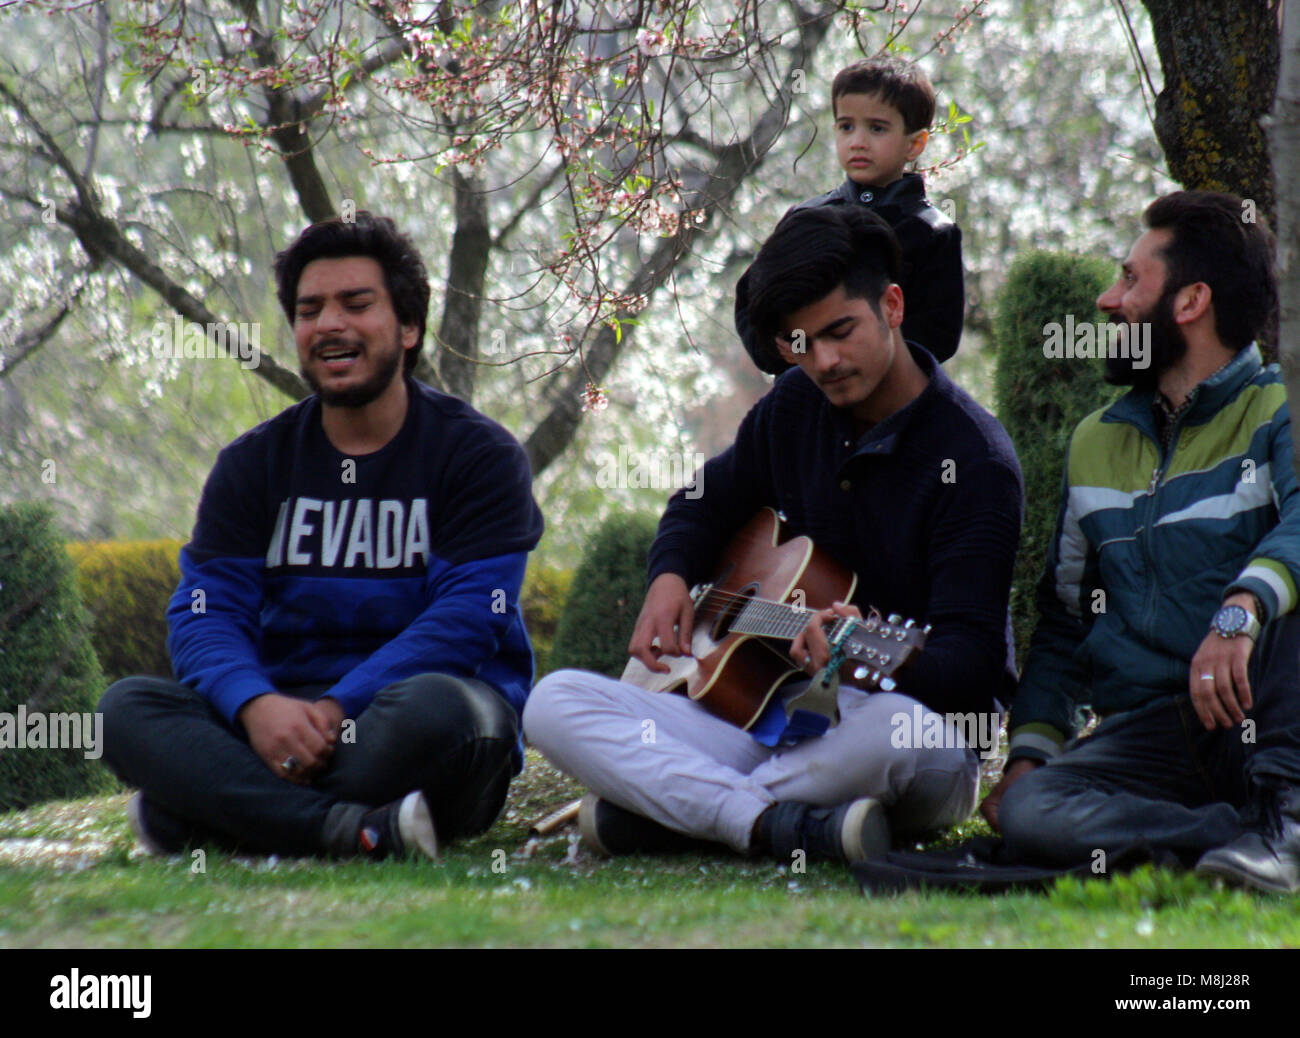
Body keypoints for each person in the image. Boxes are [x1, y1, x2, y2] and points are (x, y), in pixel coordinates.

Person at [524, 205, 1021, 865]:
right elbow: (700, 502)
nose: (823, 359)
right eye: (799, 342)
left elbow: (972, 668)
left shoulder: (975, 460)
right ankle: (774, 825)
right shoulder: (793, 406)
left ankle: (677, 815)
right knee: (554, 704)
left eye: (839, 330)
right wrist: (669, 577)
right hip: (764, 721)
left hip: (895, 732)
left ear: (893, 305)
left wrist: (858, 655)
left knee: (900, 734)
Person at [99, 212, 544, 860]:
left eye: (356, 304)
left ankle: (205, 806)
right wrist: (256, 707)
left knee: (444, 713)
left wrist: (338, 707)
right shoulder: (252, 464)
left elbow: (469, 620)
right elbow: (205, 613)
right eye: (310, 310)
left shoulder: (477, 456)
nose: (329, 324)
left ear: (410, 327)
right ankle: (358, 831)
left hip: (412, 723)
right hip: (279, 726)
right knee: (123, 710)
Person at [983, 190, 1300, 894]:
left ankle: (1286, 827)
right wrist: (1028, 760)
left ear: (1190, 302)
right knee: (1035, 814)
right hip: (1158, 737)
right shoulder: (1094, 441)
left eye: (1129, 279)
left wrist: (1238, 611)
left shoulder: (1280, 410)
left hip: (1271, 716)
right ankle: (1231, 837)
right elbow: (1066, 624)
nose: (1106, 300)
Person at [735, 54, 964, 370]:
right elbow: (753, 301)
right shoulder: (805, 218)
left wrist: (859, 354)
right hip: (806, 401)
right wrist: (784, 348)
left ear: (914, 144)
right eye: (846, 126)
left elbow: (938, 334)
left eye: (877, 128)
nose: (858, 141)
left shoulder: (931, 232)